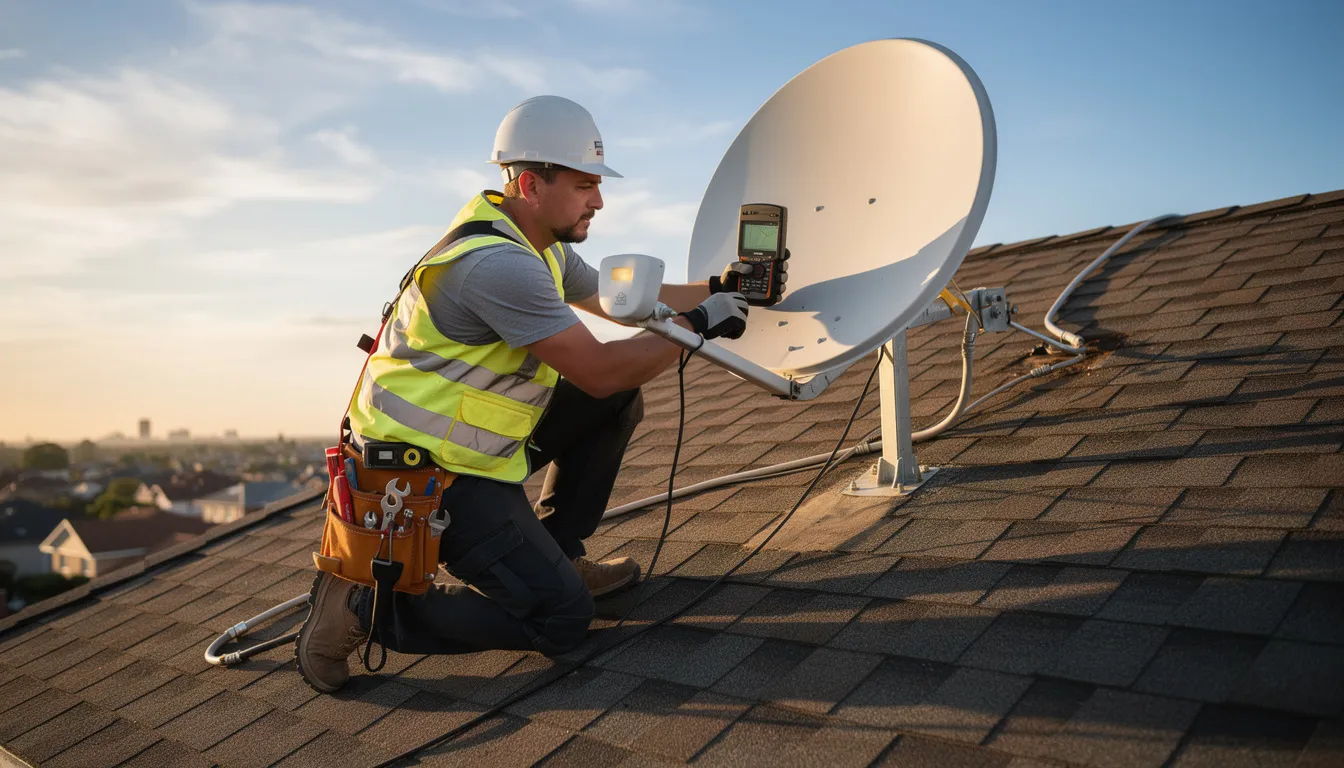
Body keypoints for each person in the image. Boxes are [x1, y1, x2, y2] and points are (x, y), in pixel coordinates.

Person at [296, 95, 785, 693]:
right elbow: (602, 369)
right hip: (428, 481)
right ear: (530, 183)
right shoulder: (498, 267)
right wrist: (699, 325)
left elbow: (617, 301)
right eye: (585, 185)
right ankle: (364, 612)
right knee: (562, 619)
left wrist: (718, 289)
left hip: (469, 451)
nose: (599, 200)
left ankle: (557, 553)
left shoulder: (535, 243)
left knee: (615, 404)